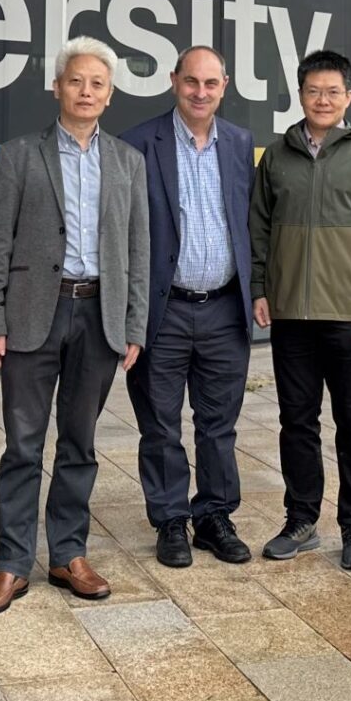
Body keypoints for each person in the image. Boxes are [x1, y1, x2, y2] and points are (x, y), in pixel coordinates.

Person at [0, 36, 149, 614]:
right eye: (76, 81)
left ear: (110, 94)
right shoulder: (20, 154)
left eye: (98, 83)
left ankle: (68, 552)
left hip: (99, 315)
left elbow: (137, 250)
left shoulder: (127, 161)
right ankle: (11, 564)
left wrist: (134, 322)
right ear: (57, 87)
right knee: (22, 445)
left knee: (80, 443)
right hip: (30, 316)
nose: (86, 91)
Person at [250, 49, 351, 569]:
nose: (323, 99)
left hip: (348, 313)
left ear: (349, 97)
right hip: (292, 312)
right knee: (297, 421)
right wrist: (259, 287)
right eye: (314, 91)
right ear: (301, 95)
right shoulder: (277, 157)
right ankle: (301, 521)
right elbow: (260, 231)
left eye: (332, 92)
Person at [122, 46, 255, 568]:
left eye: (211, 83)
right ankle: (171, 519)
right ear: (174, 80)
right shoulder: (138, 144)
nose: (201, 92)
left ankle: (215, 516)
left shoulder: (241, 144)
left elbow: (249, 226)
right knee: (159, 423)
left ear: (225, 85)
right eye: (191, 81)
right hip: (164, 310)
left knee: (219, 423)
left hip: (224, 307)